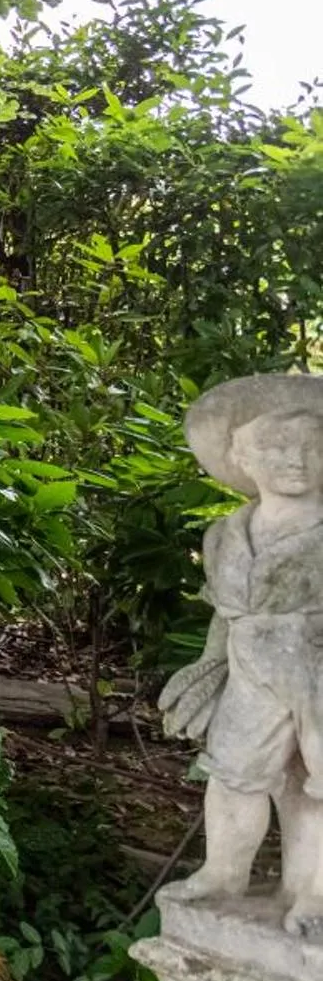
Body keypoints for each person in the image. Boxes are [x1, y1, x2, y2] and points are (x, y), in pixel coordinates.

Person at [159, 375, 323, 938]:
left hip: (316, 673)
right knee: (233, 776)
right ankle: (224, 873)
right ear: (241, 456)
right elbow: (226, 613)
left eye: (310, 444)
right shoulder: (225, 535)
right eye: (275, 446)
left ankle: (312, 893)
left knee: (311, 786)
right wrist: (208, 668)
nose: (294, 458)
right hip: (250, 672)